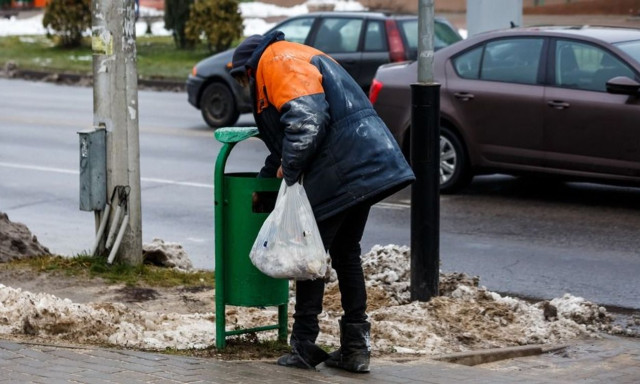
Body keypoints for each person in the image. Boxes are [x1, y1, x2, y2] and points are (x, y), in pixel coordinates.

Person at [229, 31, 415, 373]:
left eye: (242, 78)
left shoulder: (275, 61)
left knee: (307, 255)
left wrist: (290, 171)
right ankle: (356, 349)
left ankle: (303, 346)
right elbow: (288, 136)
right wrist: (268, 175)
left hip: (340, 168)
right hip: (365, 161)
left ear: (248, 67)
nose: (244, 85)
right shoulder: (296, 54)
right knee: (346, 253)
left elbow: (307, 121)